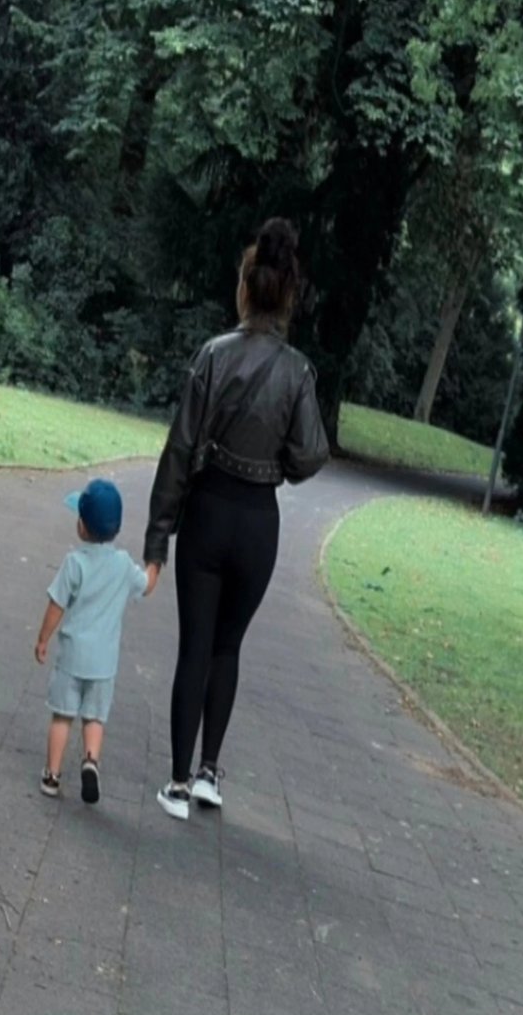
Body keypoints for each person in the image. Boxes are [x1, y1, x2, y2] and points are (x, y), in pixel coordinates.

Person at [143, 217, 330, 821]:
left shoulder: (212, 356)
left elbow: (179, 449)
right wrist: (279, 462)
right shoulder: (298, 372)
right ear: (290, 294)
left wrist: (157, 539)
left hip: (208, 512)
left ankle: (176, 783)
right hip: (257, 524)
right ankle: (208, 774)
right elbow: (310, 454)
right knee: (228, 647)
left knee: (195, 647)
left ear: (246, 286)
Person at [36, 478, 159, 803]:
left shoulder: (74, 563)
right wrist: (155, 561)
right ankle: (90, 760)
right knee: (94, 718)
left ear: (82, 526)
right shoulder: (123, 565)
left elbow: (56, 605)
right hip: (104, 664)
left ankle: (52, 775)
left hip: (72, 657)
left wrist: (43, 638)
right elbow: (146, 585)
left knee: (62, 716)